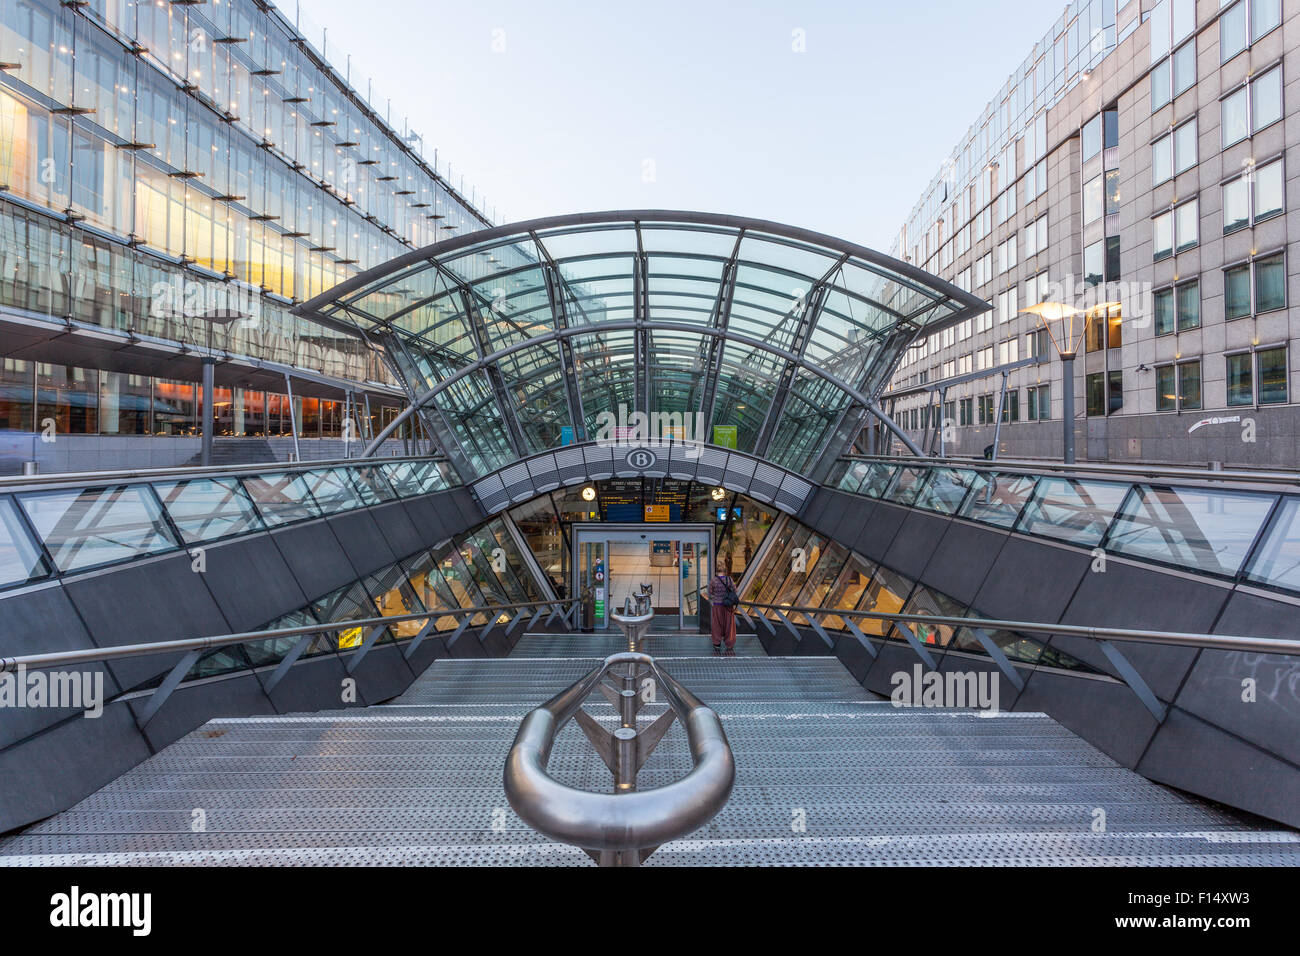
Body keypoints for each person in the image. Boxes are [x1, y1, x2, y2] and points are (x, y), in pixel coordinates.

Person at [708, 560, 738, 655]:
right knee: (729, 624)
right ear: (724, 569)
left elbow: (710, 592)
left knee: (717, 624)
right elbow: (735, 590)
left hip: (717, 606)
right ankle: (729, 643)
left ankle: (717, 643)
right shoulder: (729, 579)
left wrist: (715, 597)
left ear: (716, 570)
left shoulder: (713, 581)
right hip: (728, 606)